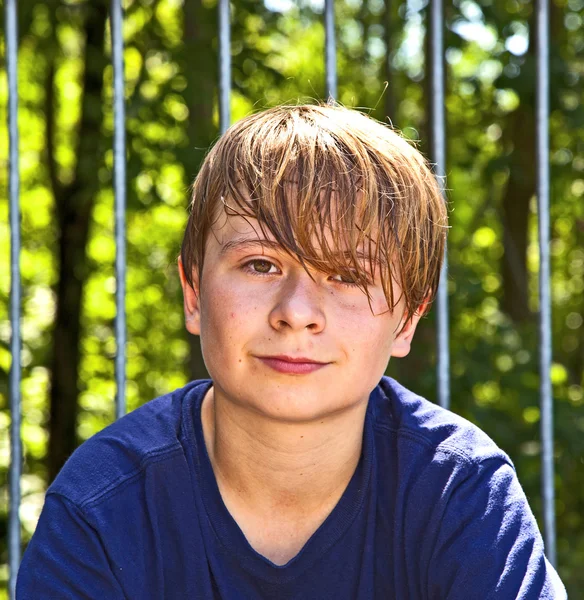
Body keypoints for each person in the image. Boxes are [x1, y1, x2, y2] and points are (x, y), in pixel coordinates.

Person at [16, 103, 566, 599]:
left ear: (407, 320)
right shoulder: (104, 508)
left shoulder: (460, 490)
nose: (297, 310)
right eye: (261, 265)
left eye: (347, 275)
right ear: (193, 293)